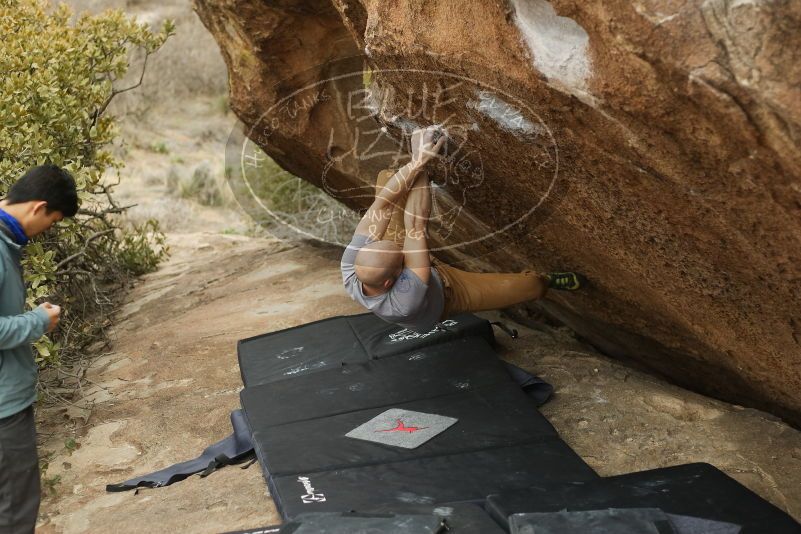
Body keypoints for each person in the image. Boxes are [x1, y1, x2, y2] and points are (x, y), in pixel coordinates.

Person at [341, 126, 585, 332]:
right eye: (398, 253)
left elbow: (382, 207)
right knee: (531, 287)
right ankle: (546, 280)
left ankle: (417, 159)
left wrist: (417, 161)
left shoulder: (351, 267)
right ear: (391, 281)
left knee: (388, 181)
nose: (396, 246)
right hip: (449, 294)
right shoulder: (404, 301)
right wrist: (421, 164)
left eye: (375, 242)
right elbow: (415, 226)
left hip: (409, 262)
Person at [0, 164, 78, 534]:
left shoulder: (6, 240)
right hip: (3, 410)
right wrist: (37, 322)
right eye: (54, 220)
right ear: (38, 207)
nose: (49, 229)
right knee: (15, 510)